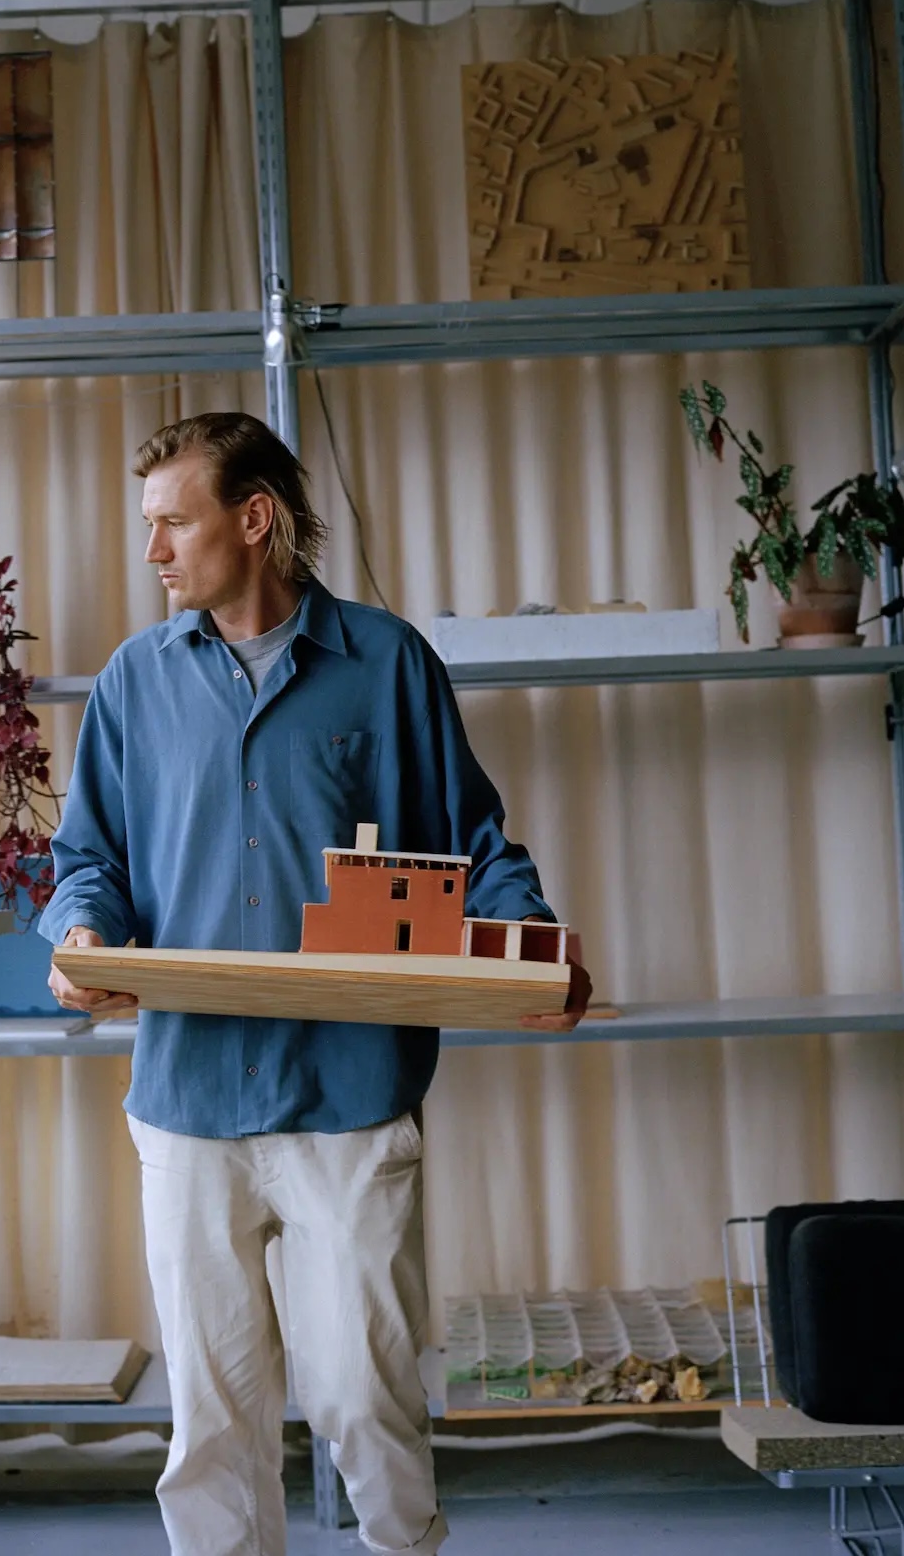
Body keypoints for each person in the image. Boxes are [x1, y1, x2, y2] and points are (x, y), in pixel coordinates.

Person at [44, 411, 588, 1556]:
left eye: (171, 522)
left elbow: (473, 843)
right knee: (213, 1421)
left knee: (366, 1399)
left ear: (254, 519)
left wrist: (528, 943)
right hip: (187, 1097)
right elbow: (85, 857)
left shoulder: (385, 662)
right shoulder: (134, 683)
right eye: (148, 526)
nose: (152, 552)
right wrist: (83, 928)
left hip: (347, 1090)